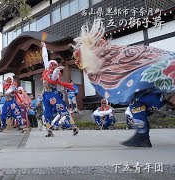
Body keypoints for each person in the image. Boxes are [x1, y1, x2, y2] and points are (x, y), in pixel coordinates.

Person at [73, 19, 175, 147]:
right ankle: (142, 135)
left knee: (137, 103)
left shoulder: (119, 55)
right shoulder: (112, 56)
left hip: (160, 89)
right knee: (136, 103)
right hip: (154, 93)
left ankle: (142, 136)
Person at [41, 41, 78, 137]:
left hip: (53, 95)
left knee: (63, 110)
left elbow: (53, 78)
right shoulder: (46, 71)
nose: (52, 66)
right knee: (47, 113)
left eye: (54, 65)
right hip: (45, 95)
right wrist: (44, 47)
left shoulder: (55, 74)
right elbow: (45, 58)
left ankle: (73, 126)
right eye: (51, 64)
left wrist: (57, 70)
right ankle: (49, 130)